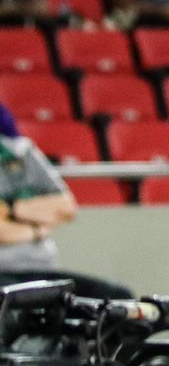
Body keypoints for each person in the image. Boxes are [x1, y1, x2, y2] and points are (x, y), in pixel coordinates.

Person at [0, 102, 128, 300]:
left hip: (42, 269)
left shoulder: (21, 151)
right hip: (3, 273)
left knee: (117, 299)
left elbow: (65, 206)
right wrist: (36, 229)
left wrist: (11, 208)